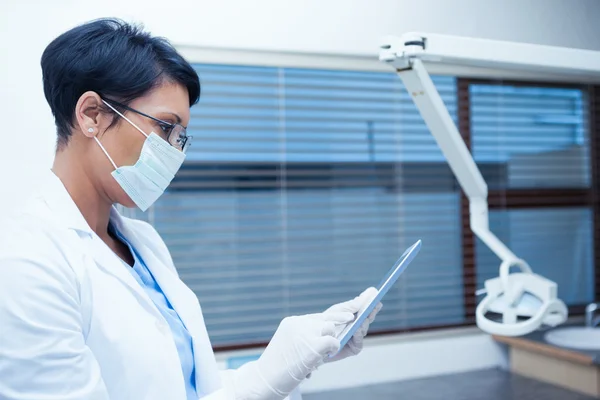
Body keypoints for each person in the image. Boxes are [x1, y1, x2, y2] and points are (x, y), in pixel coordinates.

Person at [0, 18, 382, 400]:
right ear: (92, 115)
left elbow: (190, 388)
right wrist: (264, 380)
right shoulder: (26, 263)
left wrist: (296, 362)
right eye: (165, 127)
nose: (173, 152)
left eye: (181, 137)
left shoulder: (143, 243)